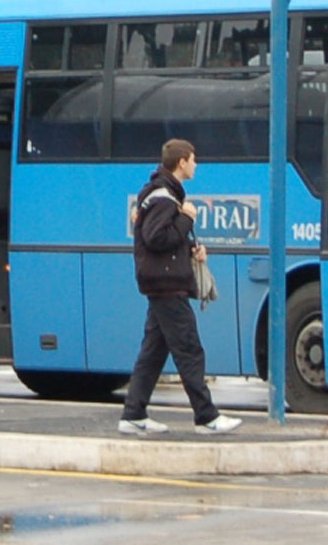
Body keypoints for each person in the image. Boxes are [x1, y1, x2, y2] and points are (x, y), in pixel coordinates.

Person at [119, 139, 242, 436]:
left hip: (162, 284)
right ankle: (206, 417)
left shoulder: (162, 194)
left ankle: (133, 414)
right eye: (193, 159)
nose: (196, 164)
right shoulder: (164, 197)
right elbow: (156, 238)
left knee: (153, 351)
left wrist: (190, 249)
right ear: (182, 163)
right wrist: (187, 218)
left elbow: (164, 240)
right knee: (189, 349)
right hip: (166, 285)